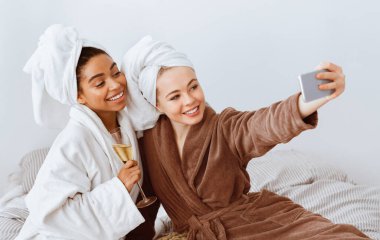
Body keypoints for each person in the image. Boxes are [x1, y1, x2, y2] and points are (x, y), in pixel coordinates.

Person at [121, 36, 369, 239]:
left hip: (255, 224)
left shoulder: (224, 127)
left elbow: (262, 125)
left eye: (193, 86)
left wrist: (305, 102)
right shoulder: (148, 144)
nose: (190, 100)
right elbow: (147, 204)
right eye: (174, 96)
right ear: (156, 104)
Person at [16, 25, 157, 240]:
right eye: (100, 83)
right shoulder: (74, 140)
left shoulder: (125, 122)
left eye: (116, 72)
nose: (116, 85)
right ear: (78, 95)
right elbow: (50, 215)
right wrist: (118, 188)